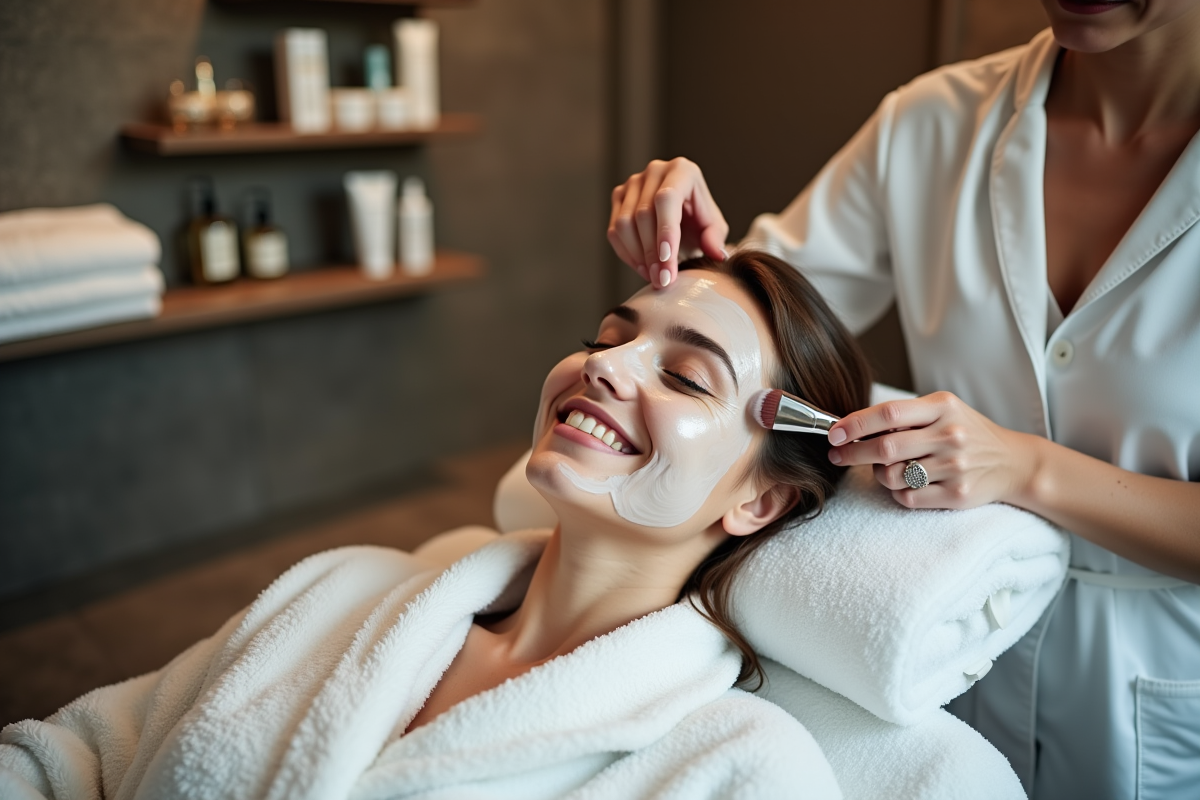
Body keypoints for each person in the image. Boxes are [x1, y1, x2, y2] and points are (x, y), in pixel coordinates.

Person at [0, 251, 868, 800]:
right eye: (610, 336)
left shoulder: (739, 769)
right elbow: (76, 757)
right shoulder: (339, 588)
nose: (604, 366)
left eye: (685, 377)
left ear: (760, 500)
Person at [607, 3, 1200, 799]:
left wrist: (1026, 468)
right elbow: (764, 316)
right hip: (943, 653)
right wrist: (702, 257)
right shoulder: (929, 123)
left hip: (1157, 684)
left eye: (676, 379)